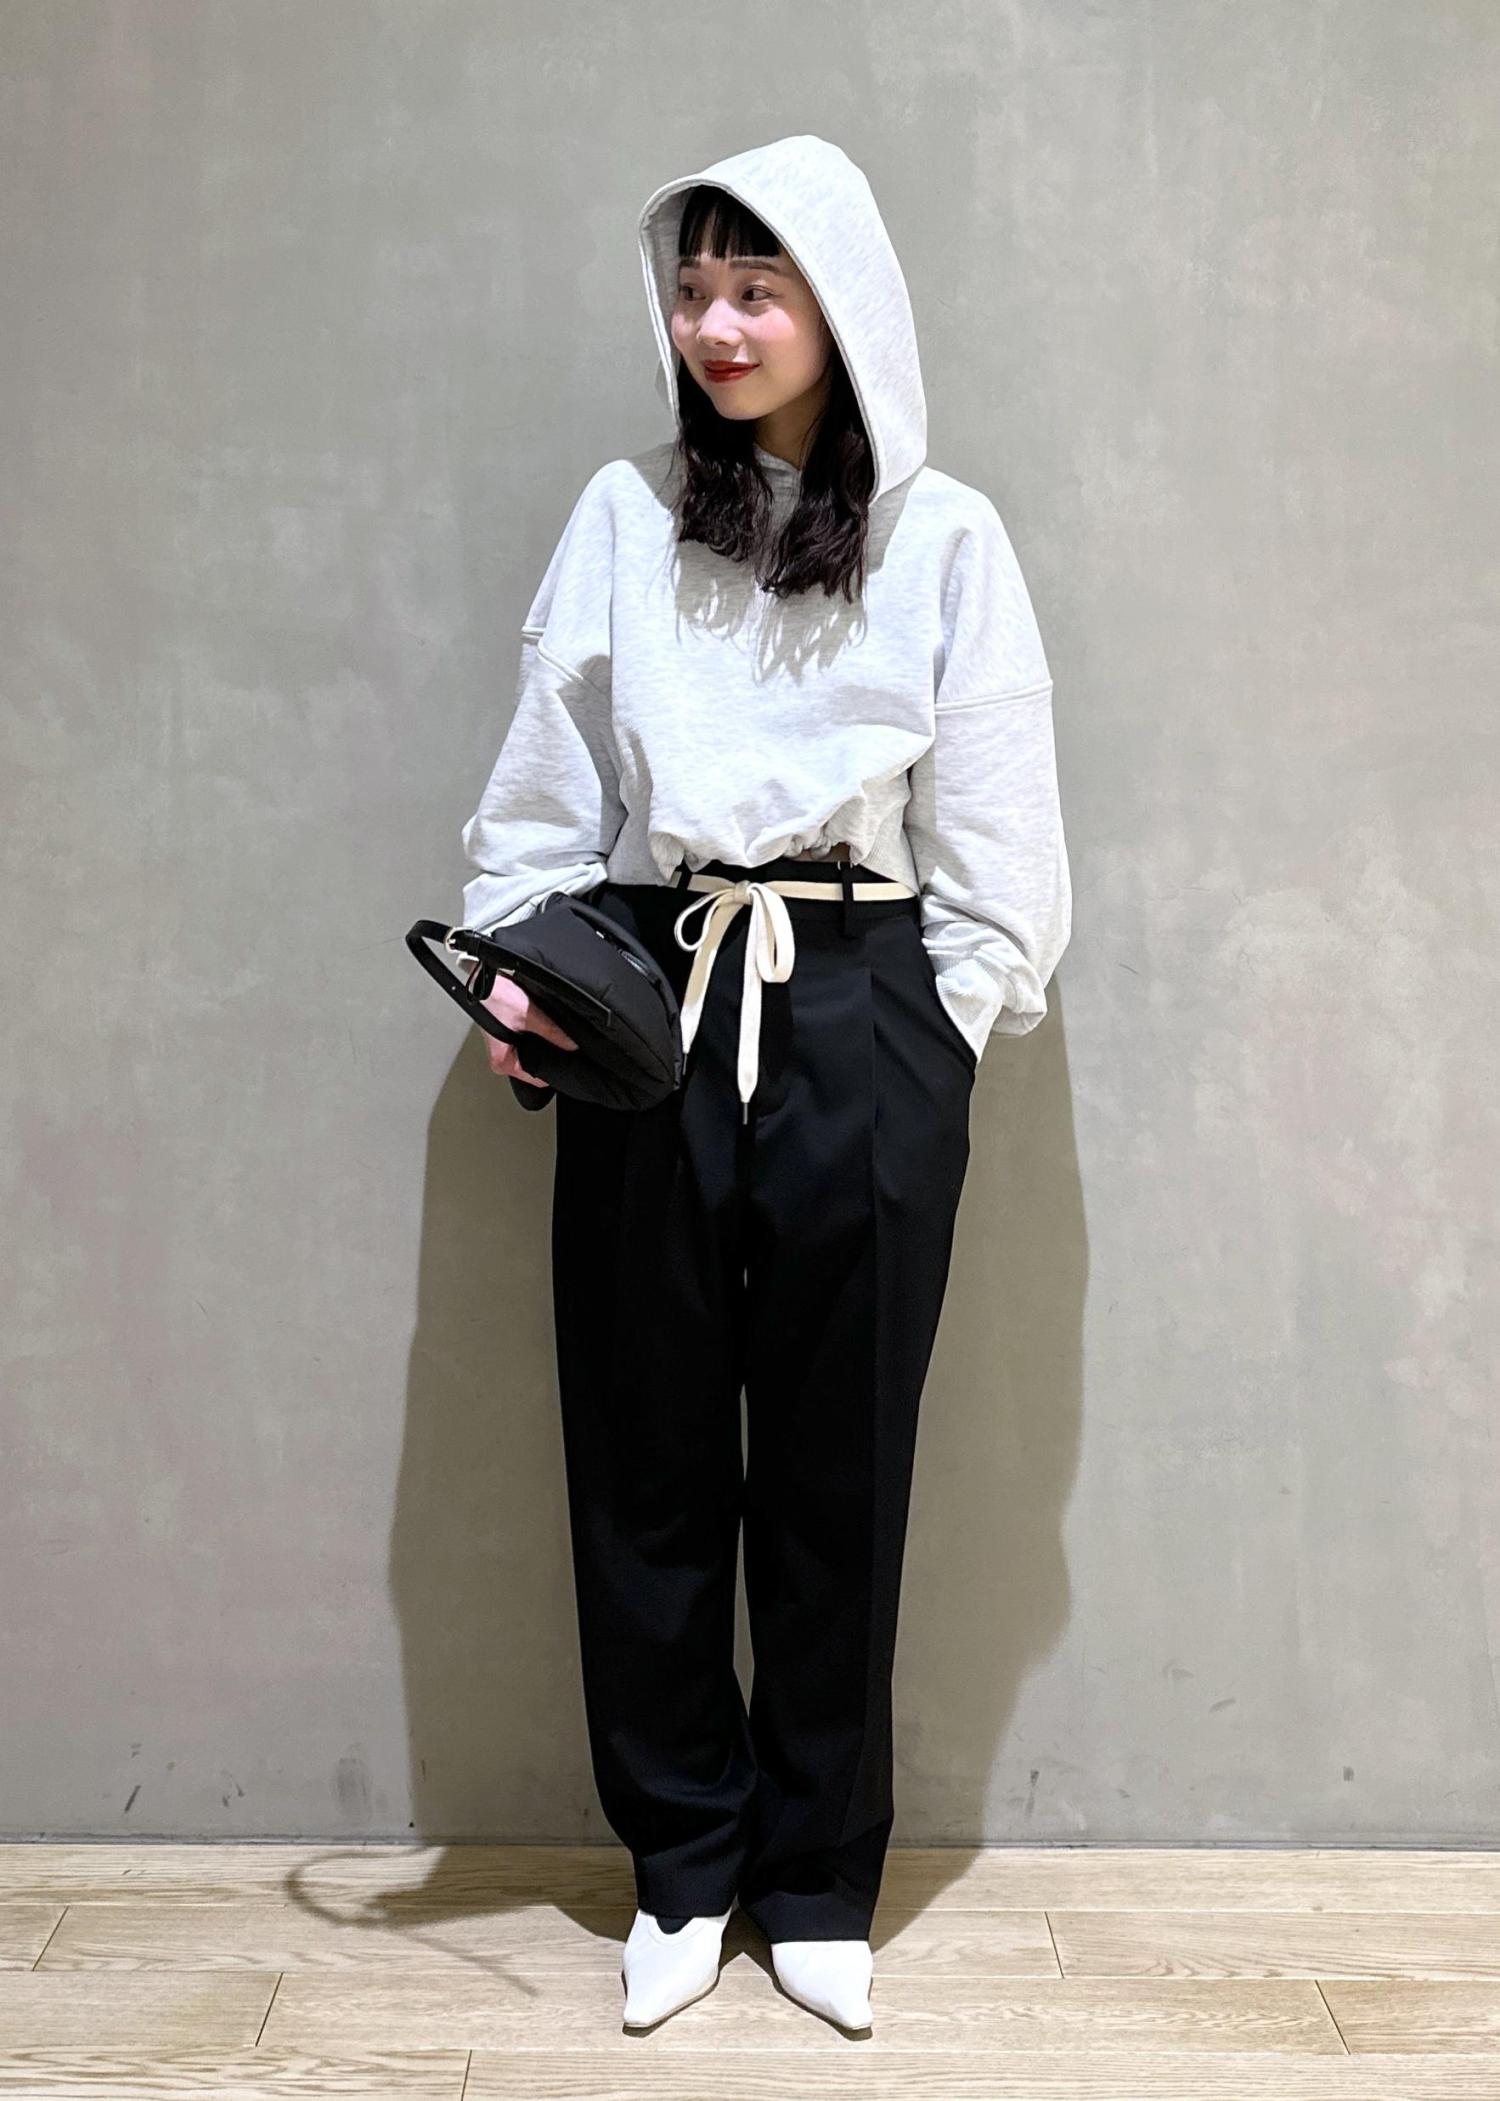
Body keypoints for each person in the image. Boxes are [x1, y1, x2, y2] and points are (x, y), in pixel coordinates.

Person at [455, 133, 1071, 2033]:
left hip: (862, 998)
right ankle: (684, 1860)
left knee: (839, 1461)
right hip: (654, 985)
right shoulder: (627, 513)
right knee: (642, 1449)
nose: (714, 325)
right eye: (693, 289)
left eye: (756, 286)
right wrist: (525, 963)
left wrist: (944, 1023)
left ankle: (815, 1873)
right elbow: (547, 779)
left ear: (840, 302)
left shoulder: (945, 535)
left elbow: (1002, 830)